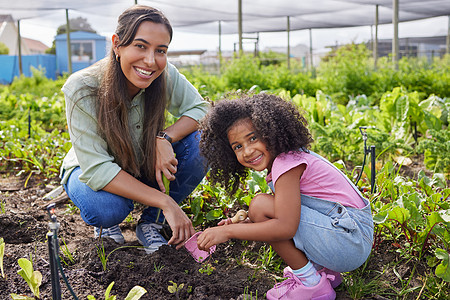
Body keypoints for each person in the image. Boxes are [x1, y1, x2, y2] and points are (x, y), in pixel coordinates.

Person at [60, 5, 209, 254]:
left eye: (160, 50)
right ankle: (111, 224)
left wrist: (163, 137)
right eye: (140, 46)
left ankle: (151, 222)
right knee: (106, 210)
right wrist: (166, 201)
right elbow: (97, 169)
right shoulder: (83, 87)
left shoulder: (164, 74)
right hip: (90, 168)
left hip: (140, 159)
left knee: (205, 142)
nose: (150, 61)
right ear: (117, 45)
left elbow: (202, 110)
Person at [197, 94, 374, 300]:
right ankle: (321, 271)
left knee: (260, 205)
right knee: (262, 210)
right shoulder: (289, 159)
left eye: (253, 138)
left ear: (270, 131)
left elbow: (285, 227)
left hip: (349, 242)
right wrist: (246, 223)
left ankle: (311, 283)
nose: (247, 151)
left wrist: (229, 232)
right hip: (350, 238)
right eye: (237, 146)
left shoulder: (286, 164)